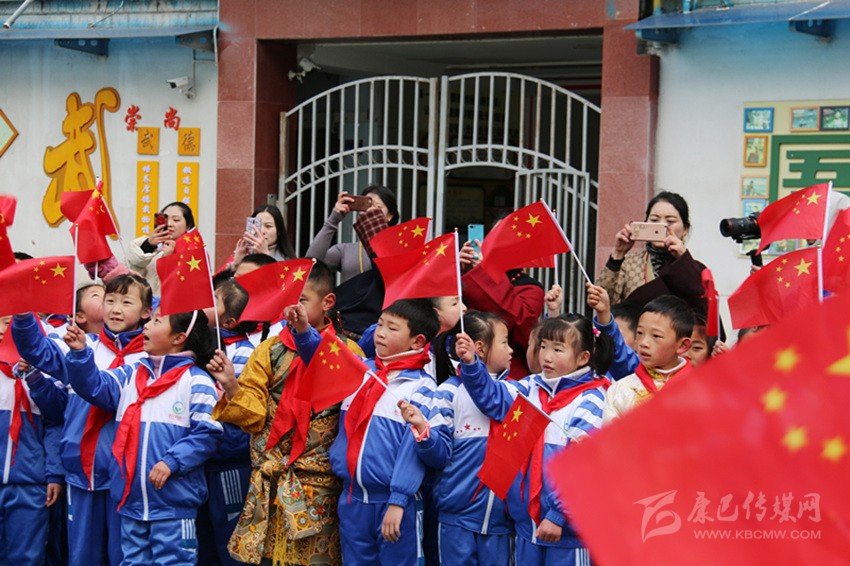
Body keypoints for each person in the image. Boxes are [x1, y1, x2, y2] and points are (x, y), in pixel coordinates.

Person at [207, 263, 362, 565]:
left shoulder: (348, 352)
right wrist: (231, 384)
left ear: (327, 302)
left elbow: (343, 406)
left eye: (302, 300)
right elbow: (253, 417)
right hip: (269, 480)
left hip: (318, 486)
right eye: (289, 301)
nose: (293, 309)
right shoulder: (268, 350)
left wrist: (305, 334)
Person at [13, 273, 154, 566]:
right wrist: (24, 314)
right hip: (80, 475)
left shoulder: (148, 358)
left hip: (124, 478)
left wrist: (80, 357)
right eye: (110, 300)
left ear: (146, 312)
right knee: (81, 558)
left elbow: (103, 392)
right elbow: (38, 351)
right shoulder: (84, 342)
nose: (115, 309)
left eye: (126, 302)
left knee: (123, 557)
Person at [64, 310, 223, 565]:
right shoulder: (131, 374)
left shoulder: (197, 381)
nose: (146, 325)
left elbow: (208, 434)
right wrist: (81, 354)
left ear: (178, 338)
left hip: (173, 507)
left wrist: (171, 461)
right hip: (131, 503)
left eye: (157, 321)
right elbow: (94, 386)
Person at [456, 314, 612, 564]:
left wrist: (558, 514)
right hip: (527, 528)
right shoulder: (530, 387)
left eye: (557, 349)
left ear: (583, 358)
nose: (546, 356)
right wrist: (472, 364)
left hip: (567, 534)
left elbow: (583, 464)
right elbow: (492, 398)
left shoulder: (592, 399)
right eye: (543, 346)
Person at [325, 299, 439, 566]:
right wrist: (302, 331)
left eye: (392, 328)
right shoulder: (361, 371)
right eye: (379, 324)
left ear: (417, 341)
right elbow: (319, 357)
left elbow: (413, 452)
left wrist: (398, 500)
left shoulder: (421, 388)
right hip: (352, 498)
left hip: (394, 503)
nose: (381, 333)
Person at [399, 311, 515, 566]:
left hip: (500, 521)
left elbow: (492, 400)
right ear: (480, 348)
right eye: (504, 342)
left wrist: (472, 367)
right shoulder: (448, 392)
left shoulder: (515, 390)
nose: (511, 350)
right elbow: (438, 457)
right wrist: (423, 431)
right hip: (456, 519)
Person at [197, 279, 255, 566]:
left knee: (229, 535)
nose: (205, 304)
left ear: (230, 321)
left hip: (229, 458)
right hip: (201, 458)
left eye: (214, 301)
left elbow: (241, 403)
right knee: (203, 539)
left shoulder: (245, 352)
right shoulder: (201, 344)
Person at [0, 322, 63, 566]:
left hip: (31, 483)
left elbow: (56, 422)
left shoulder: (43, 374)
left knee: (27, 557)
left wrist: (54, 474)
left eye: (10, 322)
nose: (4, 328)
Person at [597, 191, 708, 308]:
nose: (661, 226)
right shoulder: (629, 264)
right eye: (654, 220)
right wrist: (618, 253)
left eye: (670, 221)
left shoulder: (695, 269)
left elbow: (703, 305)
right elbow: (600, 301)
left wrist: (683, 258)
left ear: (685, 229)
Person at [603, 295, 694, 422]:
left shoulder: (700, 392)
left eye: (656, 336)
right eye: (640, 333)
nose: (644, 343)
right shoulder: (620, 390)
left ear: (682, 345)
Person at [306, 186, 399, 284]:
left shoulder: (399, 247)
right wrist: (333, 220)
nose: (370, 211)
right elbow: (310, 264)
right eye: (366, 206)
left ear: (390, 216)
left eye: (378, 207)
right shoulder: (345, 251)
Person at [126, 202, 195, 296]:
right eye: (165, 219)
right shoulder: (147, 246)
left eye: (176, 220)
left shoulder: (194, 251)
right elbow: (131, 274)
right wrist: (148, 246)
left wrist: (169, 259)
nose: (169, 224)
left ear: (188, 226)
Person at [225, 205, 296, 270]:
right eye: (258, 226)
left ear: (279, 231)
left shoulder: (289, 261)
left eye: (268, 226)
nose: (262, 231)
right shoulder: (244, 254)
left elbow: (282, 278)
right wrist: (236, 264)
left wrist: (266, 255)